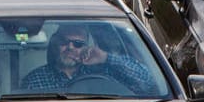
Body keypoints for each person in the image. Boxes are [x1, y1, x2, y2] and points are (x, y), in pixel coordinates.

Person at [19, 23, 154, 92]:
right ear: (55, 43)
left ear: (87, 47)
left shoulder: (104, 72)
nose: (70, 47)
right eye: (64, 42)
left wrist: (106, 58)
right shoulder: (33, 80)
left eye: (78, 44)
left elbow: (147, 82)